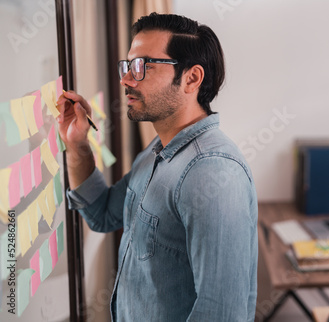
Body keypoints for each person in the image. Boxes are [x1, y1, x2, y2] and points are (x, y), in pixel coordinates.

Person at [57, 13, 258, 322]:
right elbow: (101, 213)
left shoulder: (214, 173)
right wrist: (77, 145)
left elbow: (222, 314)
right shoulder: (157, 150)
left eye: (142, 67)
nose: (125, 80)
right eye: (126, 67)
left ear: (191, 78)